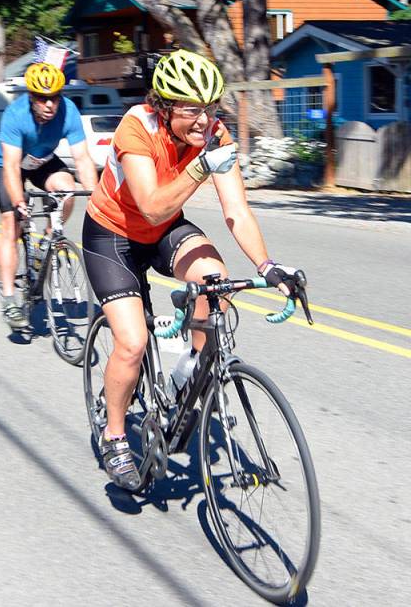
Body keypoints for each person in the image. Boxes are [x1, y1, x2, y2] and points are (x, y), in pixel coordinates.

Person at [81, 49, 299, 490]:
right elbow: (152, 205)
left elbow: (236, 208)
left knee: (214, 278)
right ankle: (116, 434)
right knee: (132, 343)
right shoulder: (136, 127)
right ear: (163, 106)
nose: (203, 120)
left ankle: (194, 369)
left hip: (163, 231)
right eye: (190, 110)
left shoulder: (215, 135)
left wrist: (268, 264)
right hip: (113, 235)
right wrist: (200, 166)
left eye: (210, 108)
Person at [0, 62, 98, 329]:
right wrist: (19, 202)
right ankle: (8, 299)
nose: (49, 104)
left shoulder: (68, 111)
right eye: (42, 98)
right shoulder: (15, 115)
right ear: (31, 97)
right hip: (11, 164)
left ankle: (48, 240)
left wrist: (97, 197)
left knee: (68, 188)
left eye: (54, 97)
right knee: (11, 225)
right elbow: (12, 166)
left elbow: (83, 158)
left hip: (41, 161)